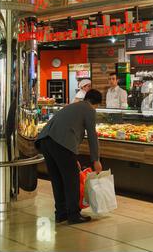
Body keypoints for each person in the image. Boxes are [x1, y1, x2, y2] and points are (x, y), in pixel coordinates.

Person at [35, 89, 103, 225]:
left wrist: (73, 155)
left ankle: (61, 213)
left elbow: (68, 128)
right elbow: (92, 136)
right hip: (60, 143)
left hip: (45, 140)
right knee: (72, 180)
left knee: (57, 179)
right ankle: (73, 214)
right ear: (95, 103)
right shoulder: (89, 109)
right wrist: (96, 160)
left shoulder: (73, 106)